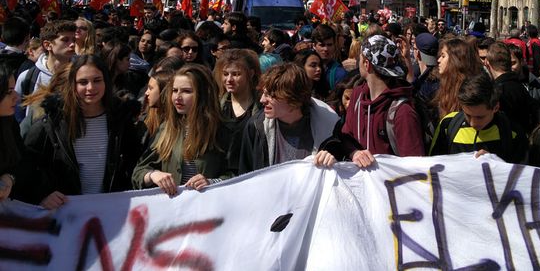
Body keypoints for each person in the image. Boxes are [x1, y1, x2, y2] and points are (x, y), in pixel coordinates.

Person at [21, 55, 141, 208]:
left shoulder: (121, 118)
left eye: (97, 80)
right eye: (83, 82)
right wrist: (41, 193)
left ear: (106, 82)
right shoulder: (54, 121)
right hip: (66, 213)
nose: (91, 88)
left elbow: (135, 161)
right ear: (73, 84)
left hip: (112, 210)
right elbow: (26, 164)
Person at [132, 64, 237, 195]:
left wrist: (212, 182)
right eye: (175, 90)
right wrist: (154, 175)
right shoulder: (167, 128)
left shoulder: (226, 130)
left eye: (186, 91)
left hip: (209, 209)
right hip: (174, 209)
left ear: (203, 94)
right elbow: (138, 172)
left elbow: (238, 175)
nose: (177, 97)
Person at [238, 63, 346, 174]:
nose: (262, 100)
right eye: (263, 93)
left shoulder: (330, 125)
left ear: (293, 98)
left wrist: (334, 160)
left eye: (270, 95)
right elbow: (245, 176)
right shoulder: (256, 126)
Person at [341, 35, 424, 158]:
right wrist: (354, 153)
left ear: (366, 64)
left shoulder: (403, 112)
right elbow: (345, 136)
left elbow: (414, 166)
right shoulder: (358, 96)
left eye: (360, 57)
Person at [429, 73, 527, 163]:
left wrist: (497, 165)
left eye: (480, 117)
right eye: (467, 115)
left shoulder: (512, 132)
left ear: (496, 107)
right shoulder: (448, 125)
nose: (473, 123)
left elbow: (523, 175)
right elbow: (433, 167)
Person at [15, 20, 77, 121]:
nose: (72, 44)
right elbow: (19, 114)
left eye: (74, 40)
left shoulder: (81, 72)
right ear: (47, 45)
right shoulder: (28, 77)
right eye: (65, 40)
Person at [435, 37, 482, 119]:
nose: (439, 60)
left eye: (443, 56)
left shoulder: (468, 90)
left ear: (454, 60)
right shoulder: (444, 84)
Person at [0, 62, 22, 201]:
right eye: (9, 92)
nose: (16, 96)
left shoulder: (9, 123)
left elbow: (23, 162)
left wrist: (10, 178)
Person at [312, 24, 347, 90]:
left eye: (329, 45)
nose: (326, 49)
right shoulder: (304, 69)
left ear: (334, 45)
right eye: (322, 45)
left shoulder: (340, 74)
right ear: (314, 45)